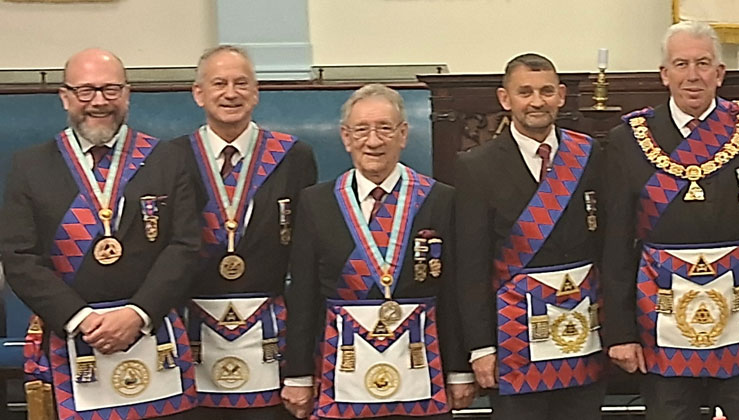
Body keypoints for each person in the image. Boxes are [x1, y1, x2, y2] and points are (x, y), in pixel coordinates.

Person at [600, 21, 739, 420]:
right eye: (681, 64)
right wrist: (620, 333)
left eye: (703, 63)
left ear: (720, 73)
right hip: (661, 313)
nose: (693, 75)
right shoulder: (629, 138)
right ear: (664, 74)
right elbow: (616, 243)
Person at [1, 48, 201, 420]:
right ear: (65, 97)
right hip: (73, 339)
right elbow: (19, 258)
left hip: (153, 334)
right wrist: (81, 319)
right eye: (86, 91)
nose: (99, 102)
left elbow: (185, 246)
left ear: (127, 94)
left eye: (110, 90)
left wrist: (137, 314)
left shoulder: (167, 159)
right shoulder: (30, 166)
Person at [280, 84, 476, 419]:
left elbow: (454, 292)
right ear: (345, 137)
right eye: (362, 130)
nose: (373, 141)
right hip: (341, 369)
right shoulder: (317, 202)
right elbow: (303, 295)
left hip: (421, 368)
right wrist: (298, 374)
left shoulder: (440, 199)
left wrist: (459, 371)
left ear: (403, 134)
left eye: (385, 128)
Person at [454, 53, 606, 420]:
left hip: (581, 332)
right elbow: (470, 267)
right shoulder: (476, 167)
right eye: (525, 92)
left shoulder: (589, 154)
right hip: (513, 340)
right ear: (506, 99)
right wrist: (480, 347)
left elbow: (606, 246)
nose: (537, 101)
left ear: (562, 96)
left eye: (546, 91)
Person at [172, 45, 318, 419]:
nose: (231, 93)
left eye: (241, 83)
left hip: (271, 334)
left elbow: (305, 258)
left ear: (256, 92)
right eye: (219, 83)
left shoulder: (293, 156)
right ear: (198, 93)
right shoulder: (171, 159)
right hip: (193, 336)